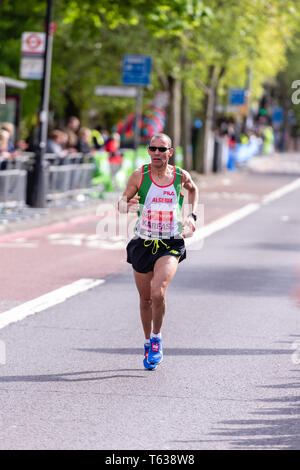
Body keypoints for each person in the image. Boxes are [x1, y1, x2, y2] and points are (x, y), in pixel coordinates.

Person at [118, 133, 198, 371]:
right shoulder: (139, 176)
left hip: (170, 242)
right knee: (144, 299)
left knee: (158, 292)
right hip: (143, 242)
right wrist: (127, 205)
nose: (156, 153)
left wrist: (191, 217)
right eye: (152, 148)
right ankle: (146, 341)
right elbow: (121, 203)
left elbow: (193, 190)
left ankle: (156, 338)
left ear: (170, 152)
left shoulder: (180, 176)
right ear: (148, 151)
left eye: (162, 149)